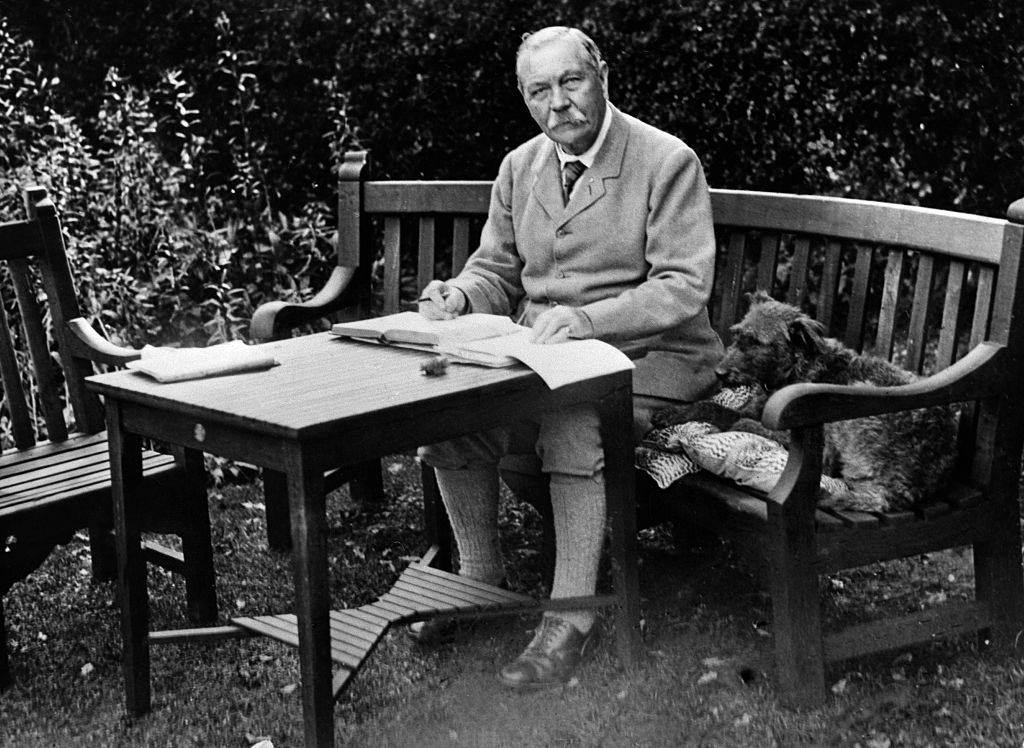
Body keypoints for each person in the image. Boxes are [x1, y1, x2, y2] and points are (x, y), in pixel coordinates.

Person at [414, 25, 723, 691]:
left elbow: (683, 286)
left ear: (602, 76)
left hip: (656, 360)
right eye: (539, 91)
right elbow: (496, 270)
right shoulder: (519, 166)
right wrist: (459, 296)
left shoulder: (666, 161)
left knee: (573, 419)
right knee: (450, 416)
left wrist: (588, 321)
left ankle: (570, 617)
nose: (557, 103)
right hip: (549, 359)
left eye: (570, 82)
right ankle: (479, 578)